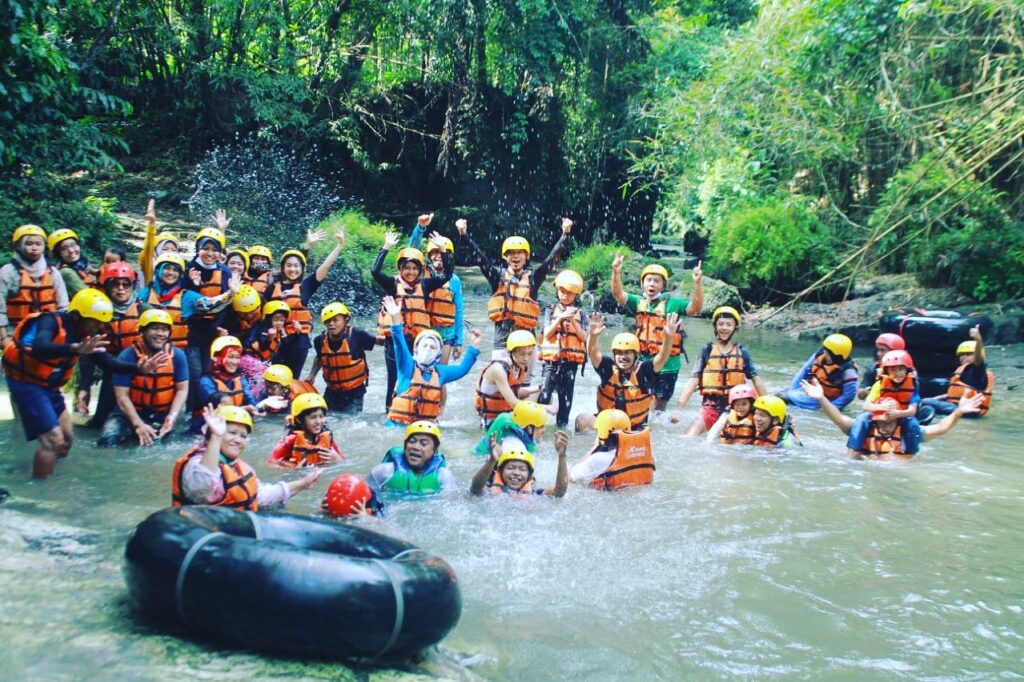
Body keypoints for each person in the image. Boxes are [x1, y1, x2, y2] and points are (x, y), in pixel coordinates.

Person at [2, 289, 166, 477]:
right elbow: (41, 347)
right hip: (26, 383)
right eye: (94, 322)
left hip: (49, 386)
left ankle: (52, 472)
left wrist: (139, 369)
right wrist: (75, 348)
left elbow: (108, 363)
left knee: (66, 439)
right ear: (76, 315)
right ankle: (39, 488)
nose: (97, 327)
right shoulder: (50, 322)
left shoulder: (86, 336)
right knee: (53, 440)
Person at [456, 216, 572, 358]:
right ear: (505, 257)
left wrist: (564, 235)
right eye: (511, 253)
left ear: (526, 256)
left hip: (527, 346)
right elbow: (481, 259)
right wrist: (464, 235)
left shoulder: (533, 279)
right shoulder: (497, 278)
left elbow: (551, 259)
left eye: (519, 253)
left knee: (524, 381)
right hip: (502, 344)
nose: (515, 256)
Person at [172, 405, 321, 509]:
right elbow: (202, 486)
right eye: (231, 433)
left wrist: (302, 483)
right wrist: (215, 437)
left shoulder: (239, 468)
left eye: (243, 436)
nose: (238, 440)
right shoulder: (197, 463)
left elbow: (261, 495)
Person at [802, 378, 984, 460]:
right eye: (881, 419)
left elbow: (940, 428)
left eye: (890, 420)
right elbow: (838, 417)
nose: (885, 423)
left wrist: (958, 412)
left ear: (898, 419)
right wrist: (821, 398)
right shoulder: (863, 430)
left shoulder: (909, 433)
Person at [374, 216, 453, 406]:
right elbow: (375, 272)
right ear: (400, 269)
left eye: (414, 268)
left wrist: (443, 250)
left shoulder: (425, 285)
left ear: (420, 270)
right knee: (394, 379)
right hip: (395, 340)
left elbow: (447, 274)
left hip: (416, 341)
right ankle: (390, 411)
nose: (410, 272)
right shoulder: (392, 284)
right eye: (406, 268)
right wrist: (385, 248)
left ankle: (413, 410)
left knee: (416, 378)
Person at [610, 255, 704, 410]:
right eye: (649, 280)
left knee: (659, 407)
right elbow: (618, 295)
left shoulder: (674, 304)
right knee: (637, 399)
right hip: (643, 362)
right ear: (643, 284)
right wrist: (616, 272)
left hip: (668, 365)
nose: (652, 284)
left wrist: (697, 283)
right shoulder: (638, 302)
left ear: (663, 285)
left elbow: (696, 308)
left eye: (656, 281)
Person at [384, 295, 481, 426]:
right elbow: (399, 342)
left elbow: (462, 370)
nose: (428, 349)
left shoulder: (440, 372)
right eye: (424, 346)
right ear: (416, 350)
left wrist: (474, 346)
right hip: (398, 428)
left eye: (433, 347)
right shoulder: (407, 366)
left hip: (424, 431)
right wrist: (395, 318)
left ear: (438, 354)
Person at [575, 312, 679, 433]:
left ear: (635, 355)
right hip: (606, 424)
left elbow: (662, 357)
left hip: (635, 428)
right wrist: (592, 336)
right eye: (619, 353)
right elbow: (593, 353)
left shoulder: (644, 371)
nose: (622, 357)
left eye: (627, 353)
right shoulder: (608, 368)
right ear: (614, 354)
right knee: (581, 419)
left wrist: (669, 338)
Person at [670, 306, 768, 436]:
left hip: (737, 409)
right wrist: (678, 409)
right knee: (688, 437)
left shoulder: (742, 352)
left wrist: (768, 406)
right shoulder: (706, 350)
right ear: (715, 326)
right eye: (721, 324)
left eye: (729, 324)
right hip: (710, 407)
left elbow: (757, 380)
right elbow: (693, 381)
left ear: (735, 328)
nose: (724, 328)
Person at [99, 309, 189, 446]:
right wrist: (138, 424)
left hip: (162, 414)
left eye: (164, 330)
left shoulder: (178, 356)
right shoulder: (127, 356)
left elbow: (182, 390)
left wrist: (172, 416)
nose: (160, 334)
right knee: (108, 441)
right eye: (154, 329)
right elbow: (121, 396)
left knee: (164, 445)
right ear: (143, 331)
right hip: (128, 414)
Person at [267, 230, 346, 377]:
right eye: (289, 266)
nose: (293, 269)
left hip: (298, 341)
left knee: (292, 379)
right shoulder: (272, 285)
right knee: (274, 378)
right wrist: (307, 245)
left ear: (302, 268)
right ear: (283, 267)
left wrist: (339, 246)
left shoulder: (306, 286)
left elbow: (325, 267)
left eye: (296, 266)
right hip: (276, 339)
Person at [87, 261, 152, 428]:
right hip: (113, 368)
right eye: (115, 284)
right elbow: (90, 354)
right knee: (99, 422)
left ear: (132, 286)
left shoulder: (144, 310)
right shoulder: (96, 314)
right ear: (107, 287)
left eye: (126, 284)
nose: (121, 288)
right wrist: (83, 387)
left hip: (142, 367)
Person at [182, 225, 237, 409]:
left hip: (213, 331)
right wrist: (194, 284)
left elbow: (225, 307)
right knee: (194, 373)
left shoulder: (225, 272)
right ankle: (191, 410)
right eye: (206, 248)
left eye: (215, 250)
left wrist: (220, 327)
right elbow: (190, 303)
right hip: (191, 331)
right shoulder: (188, 269)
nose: (210, 254)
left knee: (208, 373)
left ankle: (205, 411)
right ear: (198, 248)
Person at [139, 253, 234, 352]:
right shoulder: (145, 293)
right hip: (147, 352)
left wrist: (230, 293)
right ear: (158, 270)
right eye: (167, 268)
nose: (171, 273)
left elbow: (211, 305)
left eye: (175, 270)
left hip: (175, 353)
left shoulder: (186, 297)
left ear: (180, 275)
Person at [1, 225, 69, 346]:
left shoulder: (52, 272)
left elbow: (63, 306)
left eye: (38, 244)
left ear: (44, 246)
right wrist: (4, 338)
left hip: (47, 334)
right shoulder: (8, 272)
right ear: (19, 246)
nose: (34, 248)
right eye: (29, 244)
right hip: (16, 334)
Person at [406, 219, 463, 364]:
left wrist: (458, 341)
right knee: (419, 372)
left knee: (440, 375)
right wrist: (420, 228)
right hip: (424, 328)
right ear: (429, 255)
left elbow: (459, 311)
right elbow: (410, 252)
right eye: (434, 252)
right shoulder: (421, 273)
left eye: (441, 251)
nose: (438, 255)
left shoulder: (454, 280)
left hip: (446, 333)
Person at [306, 301, 379, 415]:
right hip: (332, 392)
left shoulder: (358, 335)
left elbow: (378, 341)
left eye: (335, 320)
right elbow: (320, 358)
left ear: (346, 320)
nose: (331, 324)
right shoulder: (319, 340)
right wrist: (312, 375)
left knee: (350, 422)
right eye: (328, 321)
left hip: (354, 392)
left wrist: (398, 341)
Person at [538, 269, 588, 428]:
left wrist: (572, 320)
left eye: (570, 293)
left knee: (566, 399)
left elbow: (584, 337)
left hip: (570, 364)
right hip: (551, 362)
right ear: (557, 291)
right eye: (563, 291)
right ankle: (536, 426)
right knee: (544, 395)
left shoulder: (581, 314)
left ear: (576, 295)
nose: (566, 295)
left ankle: (562, 429)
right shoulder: (551, 310)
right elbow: (546, 333)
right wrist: (560, 318)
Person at [920, 325, 995, 419]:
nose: (963, 357)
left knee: (925, 403)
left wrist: (978, 339)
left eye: (968, 354)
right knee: (927, 401)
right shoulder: (963, 371)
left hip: (969, 410)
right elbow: (955, 393)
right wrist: (937, 398)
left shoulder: (979, 372)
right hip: (959, 407)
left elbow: (979, 360)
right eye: (961, 355)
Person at [569, 409, 655, 490]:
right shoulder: (643, 452)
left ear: (602, 433)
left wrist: (594, 448)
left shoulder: (597, 459)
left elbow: (570, 479)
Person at [471, 430, 569, 497]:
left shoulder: (534, 492)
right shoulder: (489, 486)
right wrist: (491, 461)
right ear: (500, 471)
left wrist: (562, 456)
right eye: (511, 467)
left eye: (522, 469)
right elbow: (475, 488)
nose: (516, 472)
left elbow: (559, 492)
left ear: (529, 475)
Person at [368, 421, 456, 495]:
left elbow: (452, 507)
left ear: (435, 449)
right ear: (405, 445)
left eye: (424, 443)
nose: (416, 447)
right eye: (412, 441)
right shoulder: (383, 472)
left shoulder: (443, 476)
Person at [475, 330, 542, 428]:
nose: (527, 359)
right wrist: (547, 409)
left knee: (543, 395)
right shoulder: (498, 370)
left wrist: (540, 387)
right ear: (510, 352)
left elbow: (515, 391)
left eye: (529, 354)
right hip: (492, 425)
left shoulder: (517, 368)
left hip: (508, 418)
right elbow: (515, 404)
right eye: (522, 354)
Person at [192, 335, 259, 432]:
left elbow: (252, 403)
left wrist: (262, 407)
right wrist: (241, 410)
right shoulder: (205, 382)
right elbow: (221, 405)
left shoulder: (240, 379)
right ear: (216, 358)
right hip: (202, 430)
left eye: (237, 357)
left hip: (230, 428)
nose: (234, 362)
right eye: (230, 357)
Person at [778, 333, 857, 411]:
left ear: (837, 356)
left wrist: (830, 408)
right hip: (810, 392)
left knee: (782, 398)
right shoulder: (819, 355)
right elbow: (804, 371)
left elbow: (849, 395)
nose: (825, 353)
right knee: (779, 396)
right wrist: (792, 389)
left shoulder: (848, 371)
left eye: (828, 352)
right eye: (825, 349)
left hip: (827, 400)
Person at [268, 393, 344, 468]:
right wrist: (292, 468)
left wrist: (337, 459)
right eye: (313, 417)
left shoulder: (327, 439)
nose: (318, 422)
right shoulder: (290, 441)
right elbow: (270, 463)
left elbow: (343, 462)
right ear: (299, 420)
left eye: (321, 416)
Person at [473, 400, 548, 456]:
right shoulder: (516, 448)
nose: (544, 430)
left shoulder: (510, 433)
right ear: (529, 428)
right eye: (541, 426)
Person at [862, 350, 920, 418]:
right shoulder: (880, 384)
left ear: (907, 370)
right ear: (887, 371)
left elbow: (912, 411)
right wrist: (882, 407)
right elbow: (866, 406)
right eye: (893, 369)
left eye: (901, 369)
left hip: (903, 417)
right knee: (863, 417)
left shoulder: (913, 385)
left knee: (913, 422)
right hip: (882, 416)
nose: (897, 373)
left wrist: (897, 414)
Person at [48, 228, 98, 297]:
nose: (71, 250)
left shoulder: (82, 265)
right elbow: (87, 297)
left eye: (73, 245)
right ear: (58, 254)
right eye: (64, 248)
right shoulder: (66, 272)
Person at [857, 333, 906, 400]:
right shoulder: (872, 370)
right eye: (878, 350)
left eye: (882, 350)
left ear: (895, 351)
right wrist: (869, 390)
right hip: (879, 406)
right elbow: (860, 396)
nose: (878, 354)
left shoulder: (908, 370)